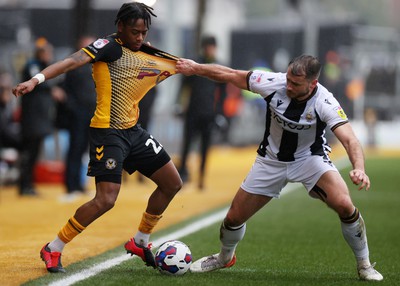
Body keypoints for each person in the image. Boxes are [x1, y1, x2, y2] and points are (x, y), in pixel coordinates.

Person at [176, 55, 383, 281]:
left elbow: (350, 140)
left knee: (344, 205)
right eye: (288, 79)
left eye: (295, 84)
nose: (288, 86)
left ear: (312, 84)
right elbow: (231, 74)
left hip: (309, 160)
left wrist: (359, 168)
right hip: (270, 161)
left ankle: (364, 264)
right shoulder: (273, 82)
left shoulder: (325, 101)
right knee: (233, 219)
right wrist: (196, 68)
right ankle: (224, 258)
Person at [13, 2, 182, 273]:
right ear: (120, 28)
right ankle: (54, 247)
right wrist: (37, 80)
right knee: (106, 200)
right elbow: (71, 61)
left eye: (144, 32)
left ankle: (140, 241)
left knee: (172, 183)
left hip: (133, 130)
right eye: (135, 32)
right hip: (108, 133)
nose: (140, 37)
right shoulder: (107, 46)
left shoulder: (142, 49)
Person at [177, 35, 226, 189]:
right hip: (192, 111)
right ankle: (183, 174)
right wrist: (178, 104)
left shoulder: (219, 67)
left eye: (212, 46)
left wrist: (219, 113)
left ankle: (201, 177)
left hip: (209, 113)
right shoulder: (194, 64)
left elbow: (222, 94)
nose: (210, 49)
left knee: (205, 147)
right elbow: (183, 87)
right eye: (208, 46)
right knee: (187, 144)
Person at [18, 37, 65, 196]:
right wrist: (51, 89)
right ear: (41, 52)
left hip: (39, 119)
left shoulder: (43, 67)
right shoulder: (33, 66)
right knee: (29, 152)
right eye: (47, 52)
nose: (50, 55)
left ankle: (28, 185)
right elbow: (36, 82)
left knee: (34, 152)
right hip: (32, 118)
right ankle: (24, 185)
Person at [62, 35, 97, 201]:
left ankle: (80, 183)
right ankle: (70, 184)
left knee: (86, 150)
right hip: (78, 113)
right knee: (75, 148)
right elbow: (65, 89)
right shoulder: (74, 65)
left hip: (93, 113)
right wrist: (73, 108)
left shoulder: (97, 64)